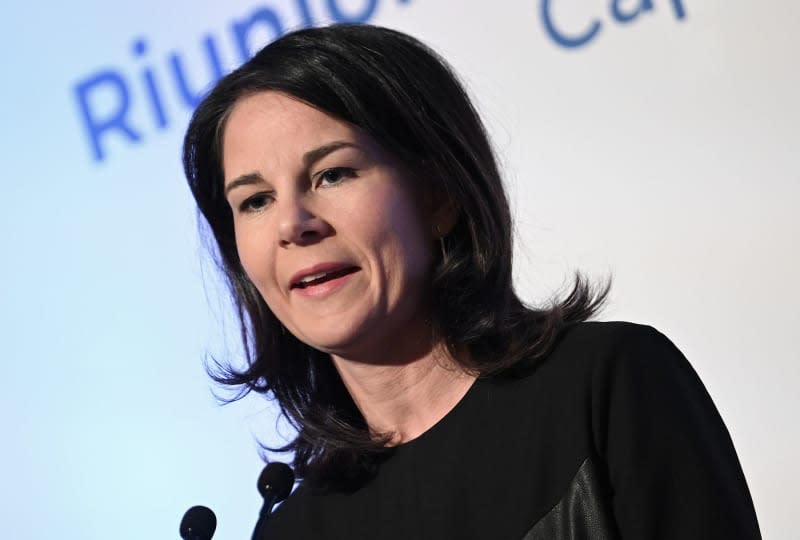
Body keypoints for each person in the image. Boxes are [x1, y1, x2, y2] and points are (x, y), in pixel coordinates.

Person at [182, 24, 761, 539]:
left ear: (439, 197)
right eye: (255, 201)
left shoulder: (607, 386)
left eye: (334, 173)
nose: (292, 224)